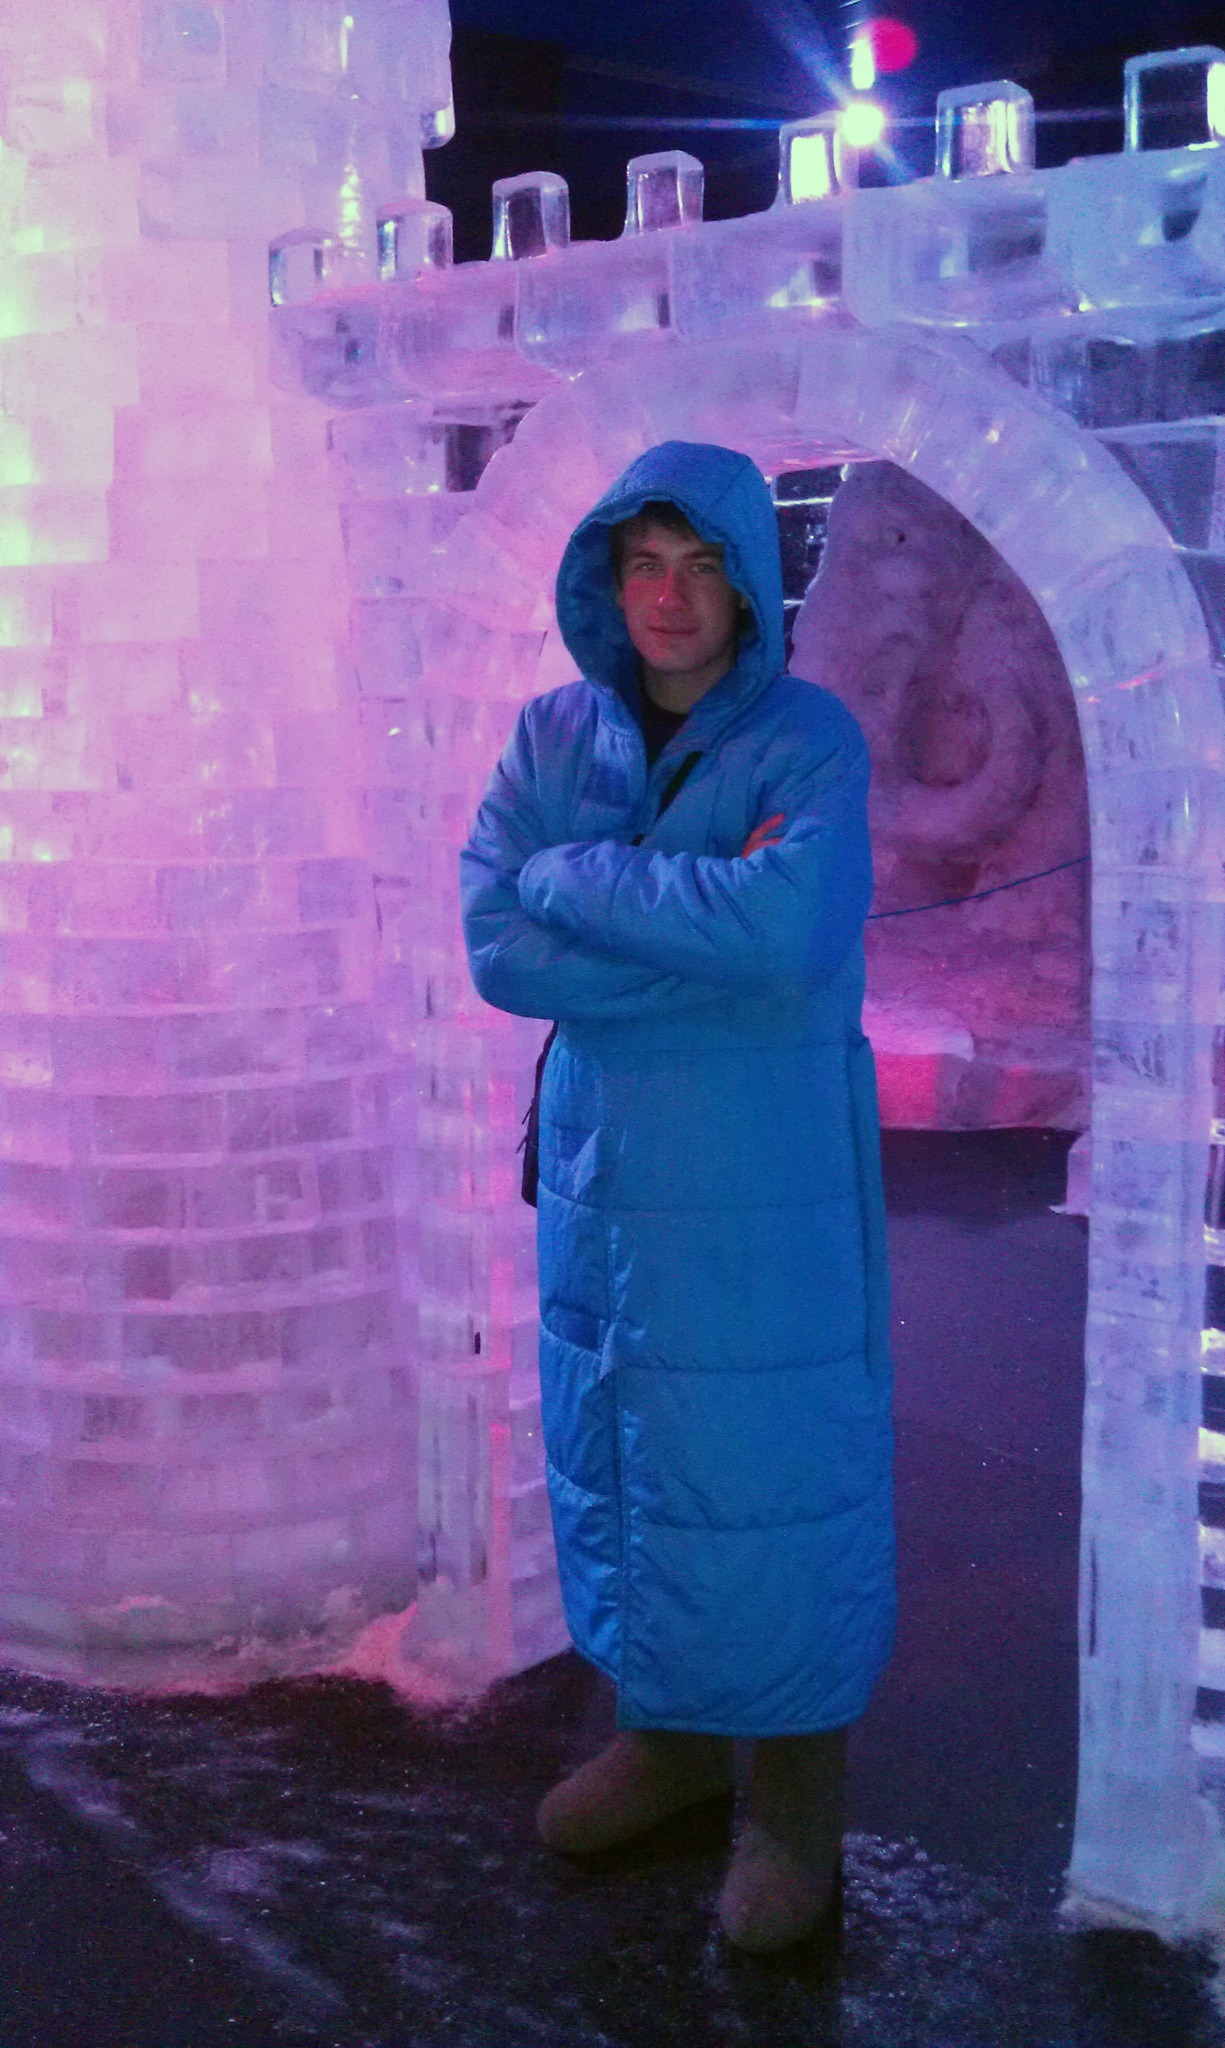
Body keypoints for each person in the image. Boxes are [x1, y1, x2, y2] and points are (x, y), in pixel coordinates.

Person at [460, 440, 895, 1955]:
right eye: (644, 563)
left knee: (772, 1471)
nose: (669, 595)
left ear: (749, 583)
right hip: (605, 1177)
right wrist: (691, 940)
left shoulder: (809, 744)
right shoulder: (549, 737)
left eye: (701, 564)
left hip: (763, 1176)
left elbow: (785, 931)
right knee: (630, 1457)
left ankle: (795, 1800)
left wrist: (575, 882)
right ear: (607, 577)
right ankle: (674, 1740)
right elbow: (494, 947)